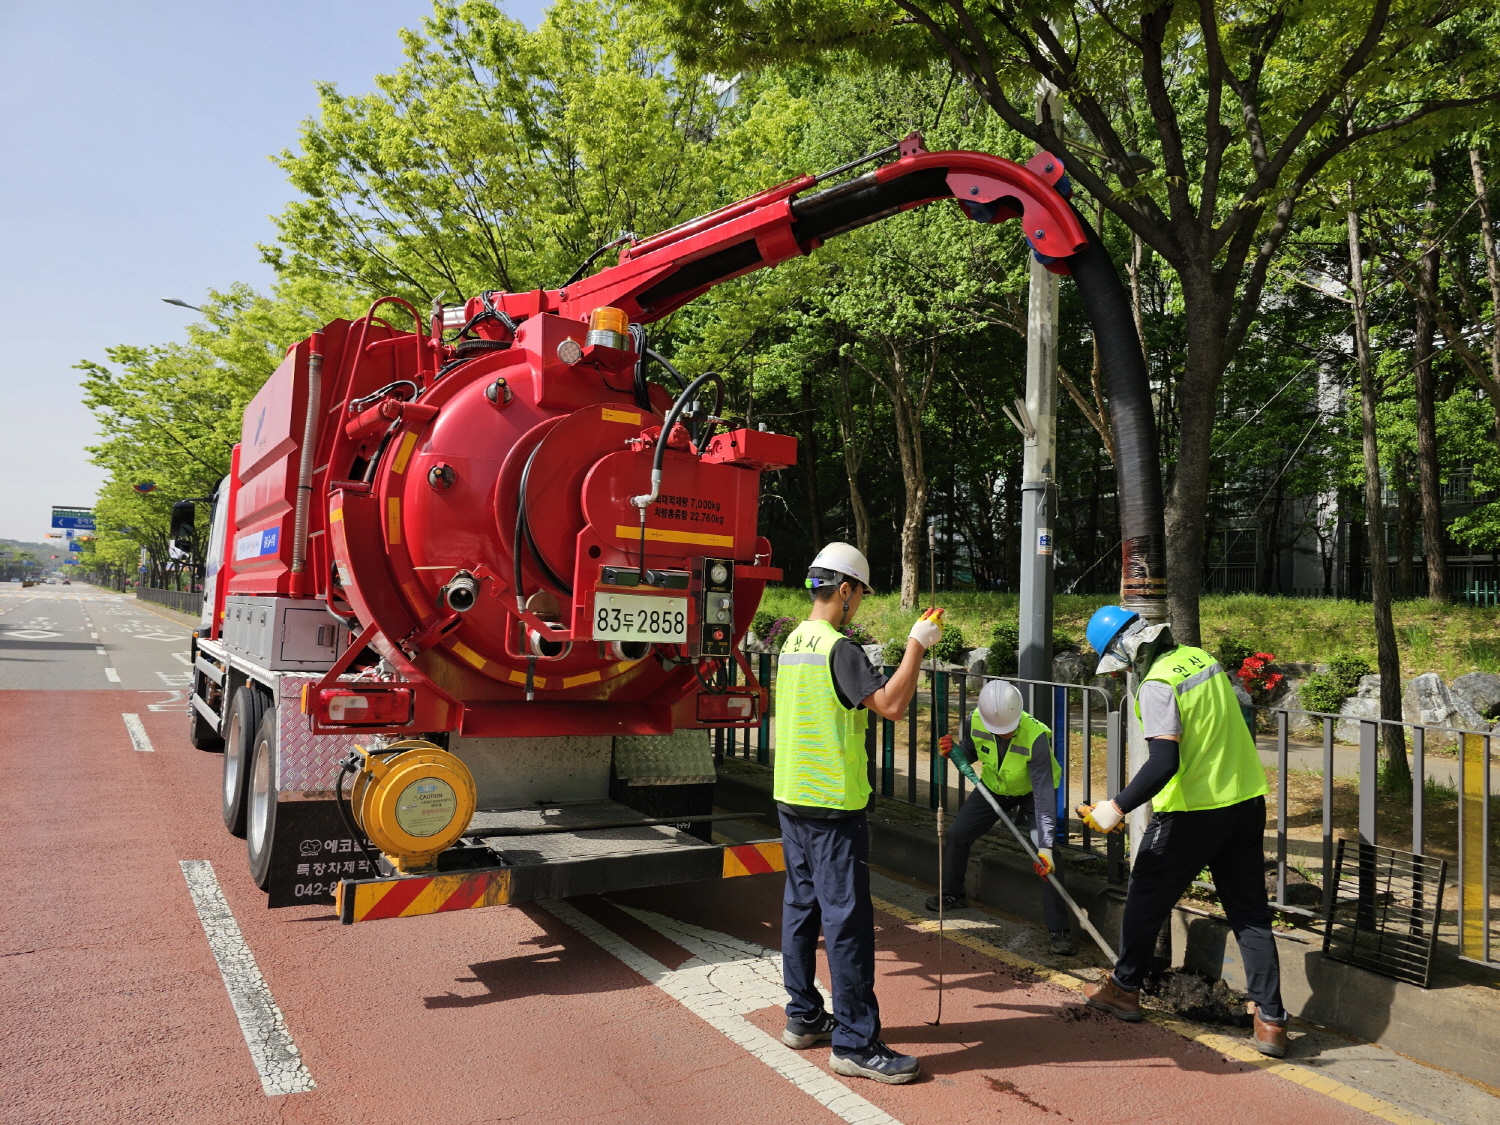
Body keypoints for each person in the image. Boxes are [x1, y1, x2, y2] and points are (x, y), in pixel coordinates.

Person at [1076, 605, 1289, 1057]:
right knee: (1249, 910)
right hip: (1245, 799)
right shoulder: (1200, 658)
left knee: (1145, 896)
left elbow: (1164, 761)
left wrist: (1115, 808)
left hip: (1194, 810)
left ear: (1126, 653)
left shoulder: (1157, 684)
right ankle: (1270, 1020)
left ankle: (1125, 988)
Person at [774, 541, 943, 1085]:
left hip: (791, 796)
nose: (861, 605)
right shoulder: (838, 649)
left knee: (801, 909)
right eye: (861, 595)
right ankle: (854, 1041)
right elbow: (892, 706)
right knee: (846, 923)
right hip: (832, 807)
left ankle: (803, 1016)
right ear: (844, 591)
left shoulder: (791, 642)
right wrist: (917, 644)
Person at [927, 679, 1077, 955]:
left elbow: (1044, 797)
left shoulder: (1036, 737)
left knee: (1047, 857)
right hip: (995, 788)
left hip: (1033, 793)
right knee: (959, 833)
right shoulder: (975, 721)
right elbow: (970, 751)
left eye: (1009, 729)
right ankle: (953, 892)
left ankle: (1059, 929)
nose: (1005, 734)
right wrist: (953, 751)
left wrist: (1043, 845)